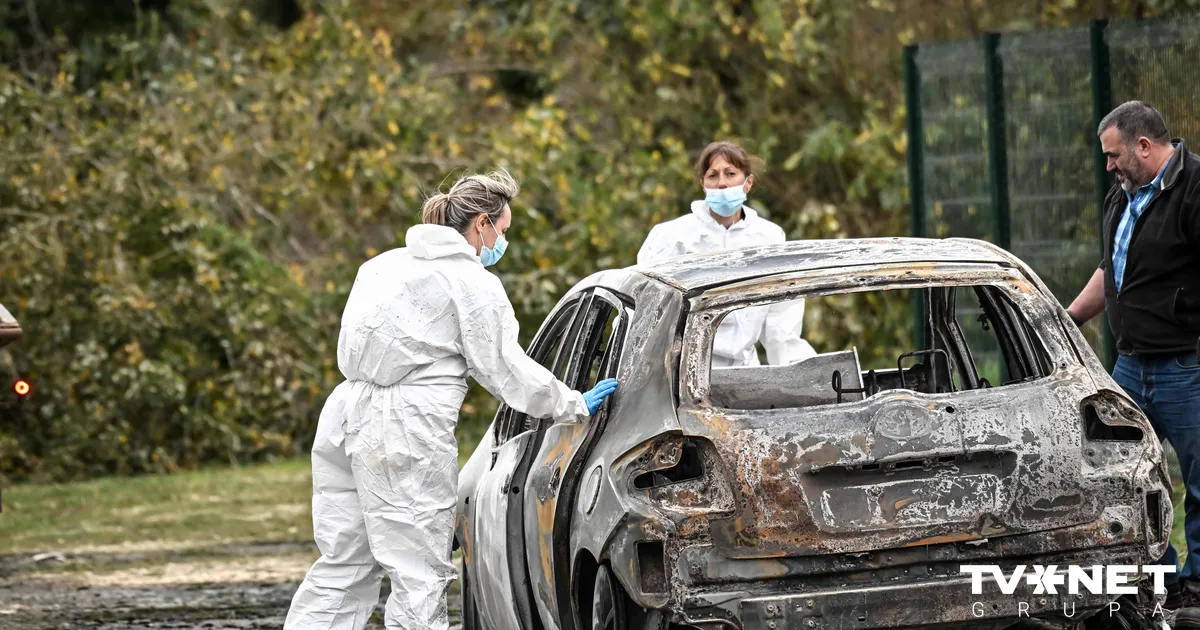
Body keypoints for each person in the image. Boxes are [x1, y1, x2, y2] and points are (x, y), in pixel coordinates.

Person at [284, 169, 620, 630]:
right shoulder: (471, 282)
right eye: (502, 230)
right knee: (419, 574)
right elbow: (506, 369)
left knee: (343, 565)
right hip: (407, 430)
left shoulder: (381, 265)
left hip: (345, 416)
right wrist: (572, 403)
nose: (502, 242)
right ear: (481, 223)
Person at [1066, 101, 1200, 610]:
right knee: (1119, 476)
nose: (1109, 166)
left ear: (1144, 146)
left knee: (1199, 478)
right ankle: (1160, 577)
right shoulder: (1121, 198)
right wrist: (1068, 317)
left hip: (1184, 367)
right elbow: (1111, 271)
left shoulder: (1195, 188)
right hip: (1128, 368)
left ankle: (1198, 584)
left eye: (1113, 154)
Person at [637, 140, 816, 367]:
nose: (722, 183)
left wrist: (799, 374)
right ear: (703, 185)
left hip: (744, 372)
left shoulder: (769, 238)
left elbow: (781, 321)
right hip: (681, 373)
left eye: (730, 174)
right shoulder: (671, 236)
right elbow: (647, 310)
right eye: (713, 176)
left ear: (748, 182)